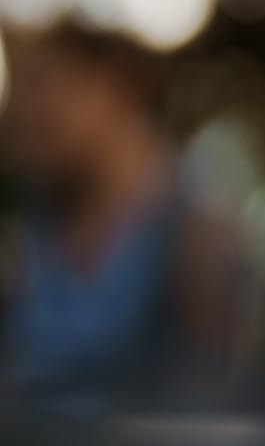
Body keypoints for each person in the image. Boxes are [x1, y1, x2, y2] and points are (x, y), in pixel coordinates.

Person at [0, 25, 238, 409]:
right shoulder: (37, 226)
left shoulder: (196, 233)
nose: (23, 113)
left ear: (115, 87)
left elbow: (209, 406)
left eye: (43, 85)